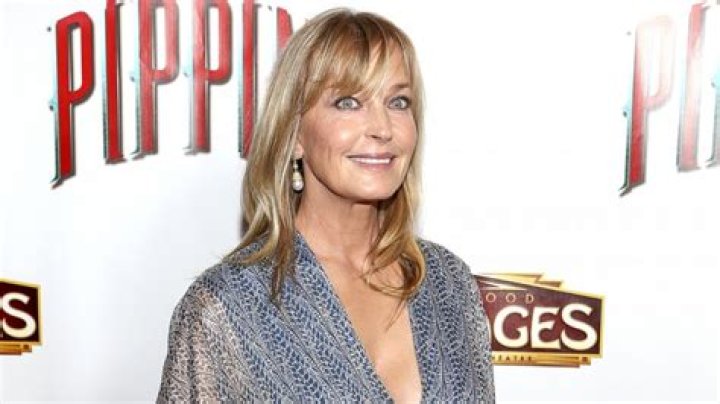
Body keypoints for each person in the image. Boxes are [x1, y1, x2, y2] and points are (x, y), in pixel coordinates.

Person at [157, 8, 494, 403]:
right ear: (294, 133)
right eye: (348, 102)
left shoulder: (449, 284)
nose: (382, 128)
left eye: (398, 101)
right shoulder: (226, 308)